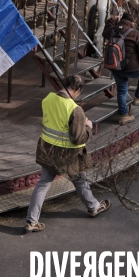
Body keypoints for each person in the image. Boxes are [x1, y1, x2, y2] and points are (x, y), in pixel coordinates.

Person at [25, 75, 111, 233]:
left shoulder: (48, 99)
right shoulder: (75, 109)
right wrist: (88, 127)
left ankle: (32, 220)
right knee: (80, 181)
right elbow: (78, 139)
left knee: (43, 184)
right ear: (77, 90)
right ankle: (93, 207)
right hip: (68, 154)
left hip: (48, 149)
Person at [102, 12, 139, 125]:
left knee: (122, 90)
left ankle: (124, 115)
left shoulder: (112, 30)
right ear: (132, 22)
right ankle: (138, 97)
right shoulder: (135, 33)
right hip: (132, 69)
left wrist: (112, 20)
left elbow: (105, 32)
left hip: (116, 67)